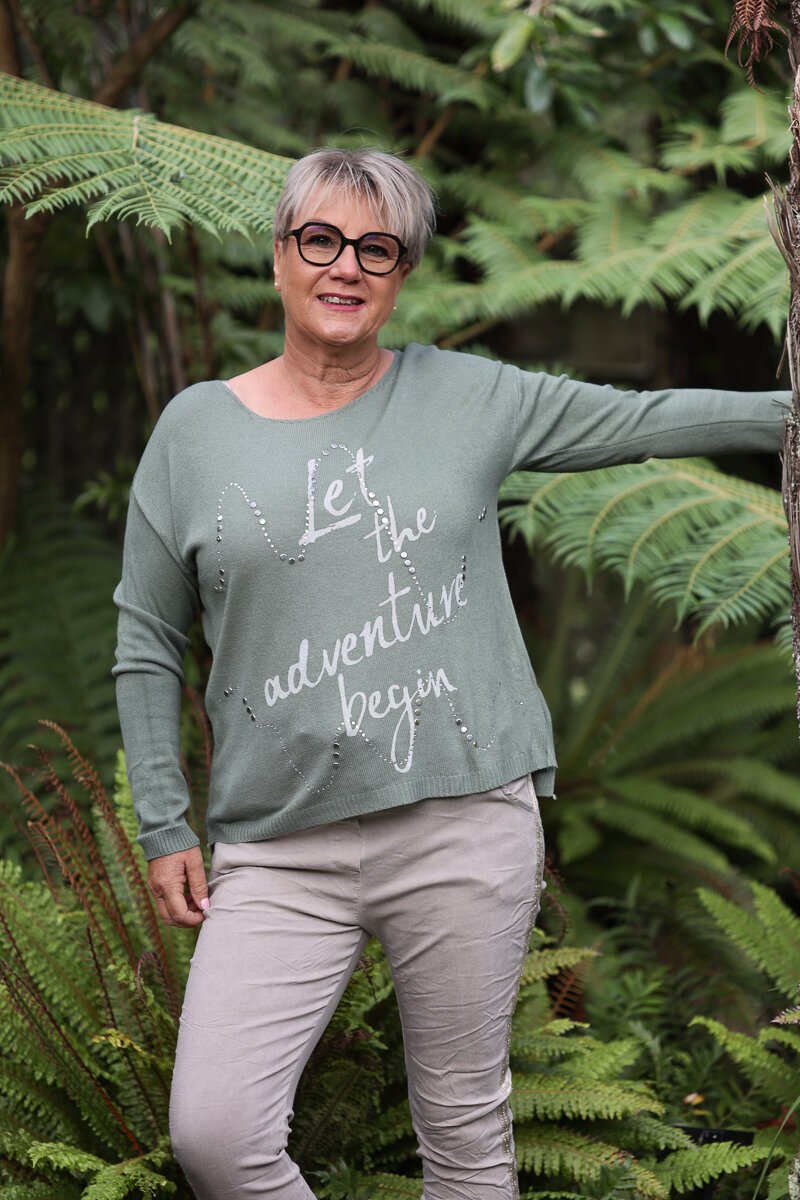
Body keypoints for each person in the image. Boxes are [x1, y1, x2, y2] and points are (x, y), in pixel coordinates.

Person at [113, 147, 787, 1200]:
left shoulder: (469, 397)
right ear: (279, 256)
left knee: (465, 1142)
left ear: (401, 273)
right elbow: (147, 637)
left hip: (462, 823)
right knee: (214, 1134)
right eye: (320, 240)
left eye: (376, 249)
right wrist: (162, 824)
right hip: (277, 847)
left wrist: (788, 414)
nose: (346, 266)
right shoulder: (194, 431)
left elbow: (644, 419)